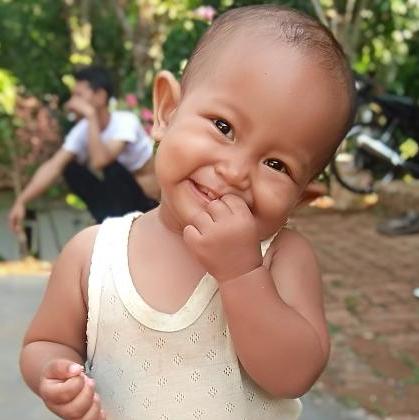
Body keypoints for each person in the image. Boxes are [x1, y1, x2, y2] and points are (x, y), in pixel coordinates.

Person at [19, 5, 355, 419]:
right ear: (166, 111)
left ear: (299, 198)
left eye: (276, 165)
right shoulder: (93, 255)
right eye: (224, 127)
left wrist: (242, 274)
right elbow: (45, 342)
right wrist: (54, 375)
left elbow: (294, 375)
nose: (234, 172)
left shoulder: (282, 257)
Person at [8, 65, 159, 232]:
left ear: (100, 96)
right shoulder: (82, 130)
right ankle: (104, 221)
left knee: (111, 169)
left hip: (149, 201)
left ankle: (111, 221)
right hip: (122, 201)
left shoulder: (125, 122)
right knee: (69, 167)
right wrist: (21, 201)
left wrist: (90, 115)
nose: (72, 102)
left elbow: (100, 161)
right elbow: (53, 166)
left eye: (78, 95)